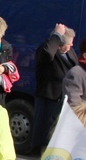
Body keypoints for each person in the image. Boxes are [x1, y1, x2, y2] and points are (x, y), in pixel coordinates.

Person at [33, 23, 77, 153]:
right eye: (69, 44)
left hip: (65, 101)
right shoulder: (46, 49)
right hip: (49, 101)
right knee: (47, 138)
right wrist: (57, 34)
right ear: (59, 44)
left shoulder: (69, 51)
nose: (71, 46)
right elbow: (47, 53)